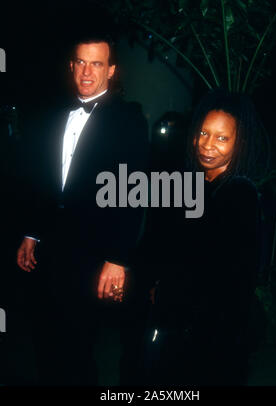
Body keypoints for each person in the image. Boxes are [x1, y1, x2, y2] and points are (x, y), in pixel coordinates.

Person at [16, 33, 149, 385]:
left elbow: (132, 192)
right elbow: (38, 179)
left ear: (111, 70)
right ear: (71, 66)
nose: (87, 72)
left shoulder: (129, 120)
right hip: (49, 250)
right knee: (44, 339)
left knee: (79, 348)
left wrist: (118, 259)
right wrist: (31, 233)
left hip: (93, 253)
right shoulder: (51, 116)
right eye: (81, 62)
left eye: (97, 64)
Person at [143, 89, 268, 386]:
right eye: (203, 133)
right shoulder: (197, 183)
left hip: (208, 340)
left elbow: (234, 280)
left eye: (222, 138)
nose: (208, 145)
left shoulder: (239, 194)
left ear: (240, 143)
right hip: (180, 327)